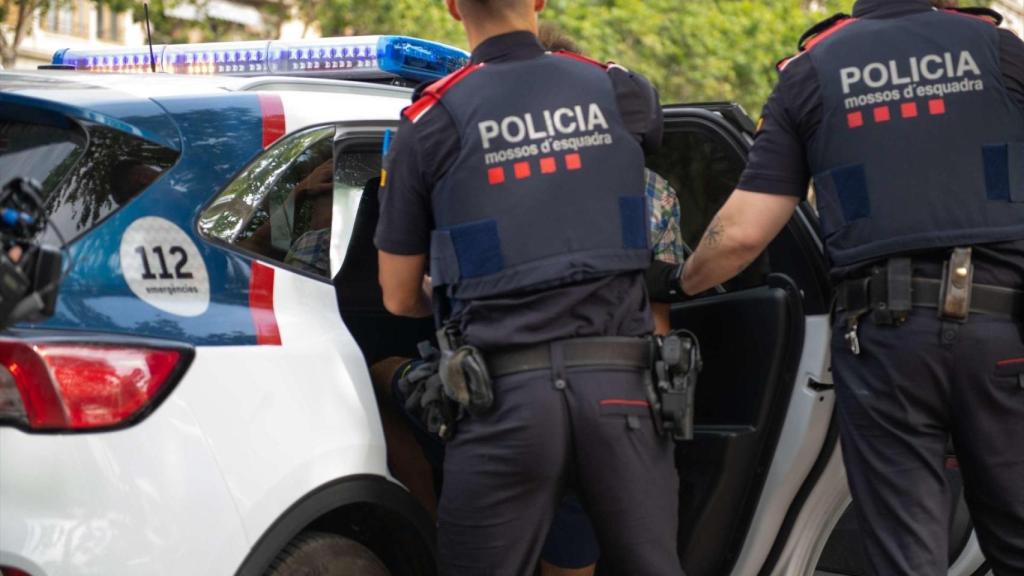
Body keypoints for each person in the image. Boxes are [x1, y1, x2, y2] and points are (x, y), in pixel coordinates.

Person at [679, 1, 1024, 574]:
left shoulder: (814, 70)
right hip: (1004, 332)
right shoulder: (1001, 50)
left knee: (906, 553)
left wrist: (680, 281)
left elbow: (741, 235)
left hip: (887, 339)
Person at [375, 1, 684, 574]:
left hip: (503, 399)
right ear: (539, 1)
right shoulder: (621, 91)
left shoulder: (431, 119)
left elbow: (396, 296)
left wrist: (452, 290)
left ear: (450, 6)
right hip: (622, 389)